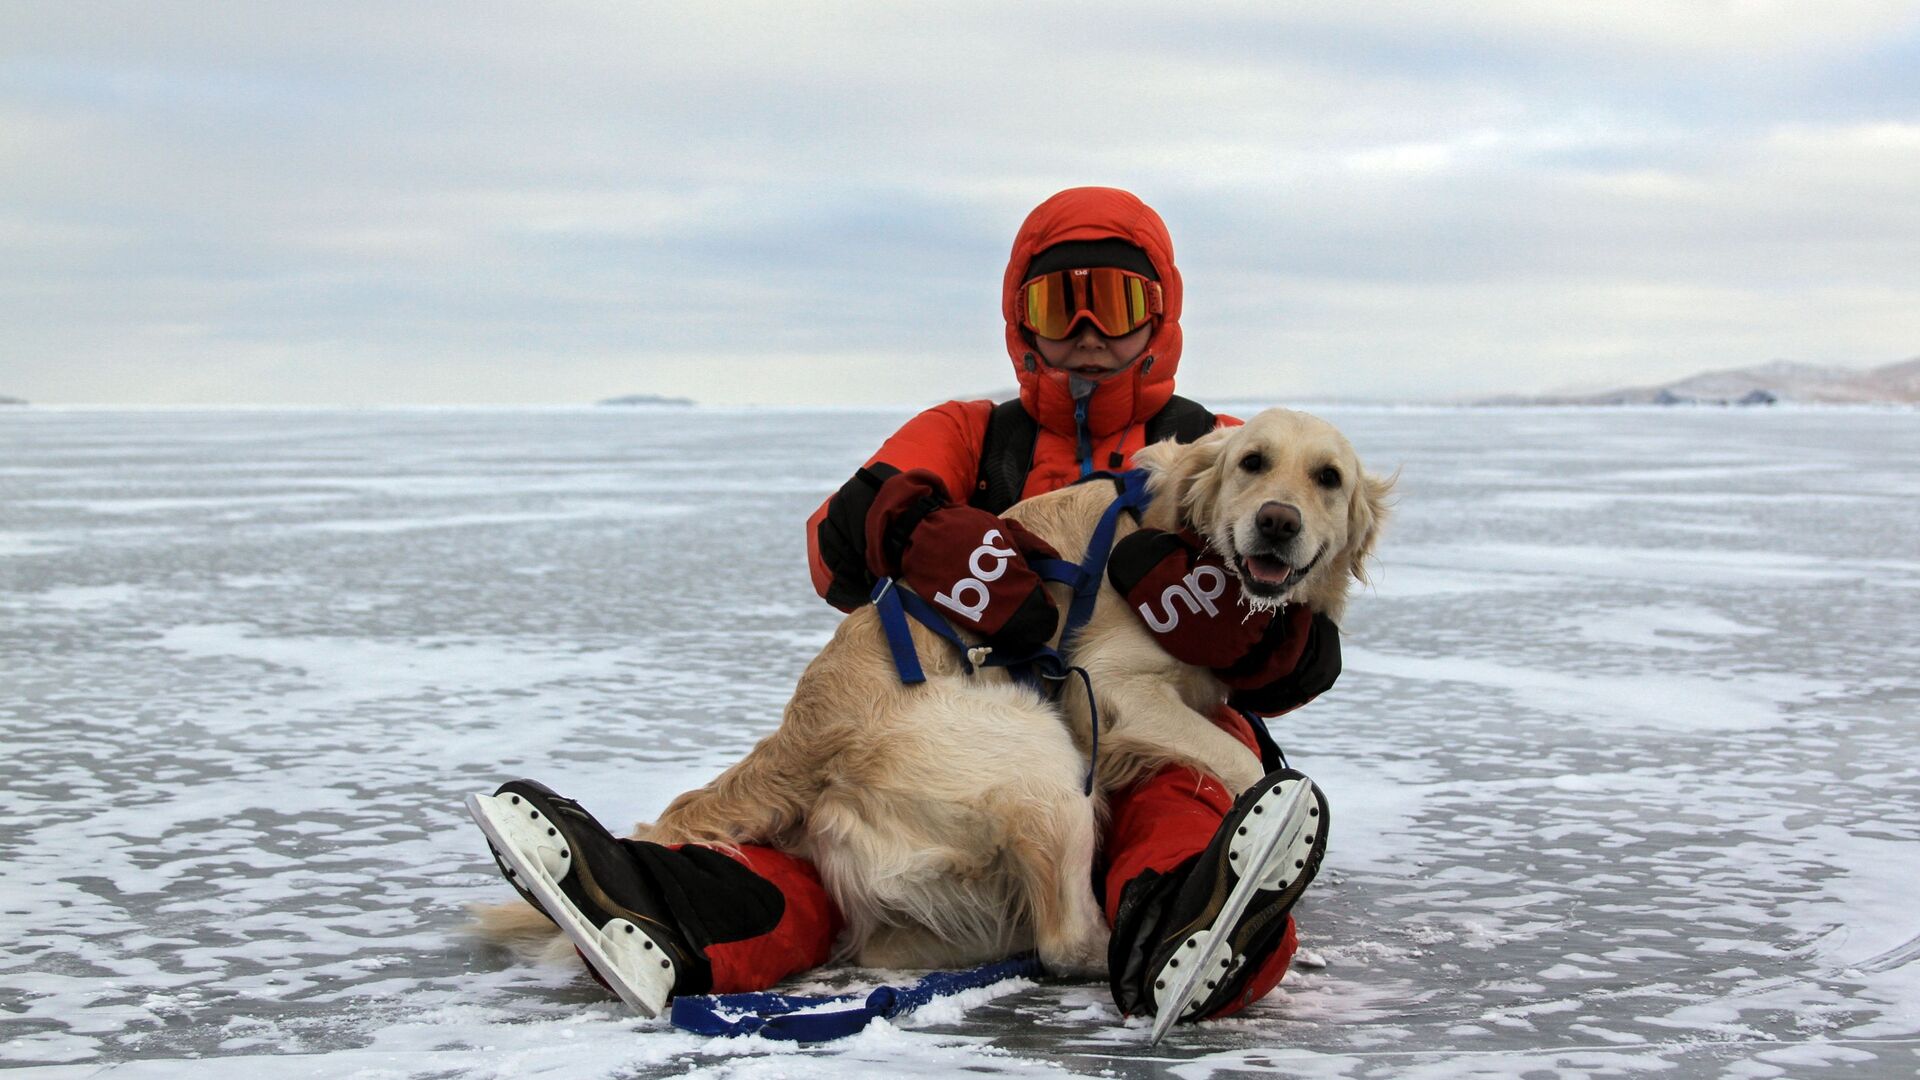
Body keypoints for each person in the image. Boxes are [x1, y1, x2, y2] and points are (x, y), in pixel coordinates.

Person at [478, 187, 1340, 1025]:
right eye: (1056, 306)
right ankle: (659, 913)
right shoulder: (971, 430)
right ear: (1020, 321)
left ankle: (1186, 946)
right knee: (818, 865)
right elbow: (832, 542)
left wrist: (1265, 645)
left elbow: (1309, 632)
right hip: (960, 739)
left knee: (1182, 808)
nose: (1085, 335)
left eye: (1113, 304)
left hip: (1140, 742)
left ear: (1158, 317)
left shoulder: (1223, 447)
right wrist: (916, 531)